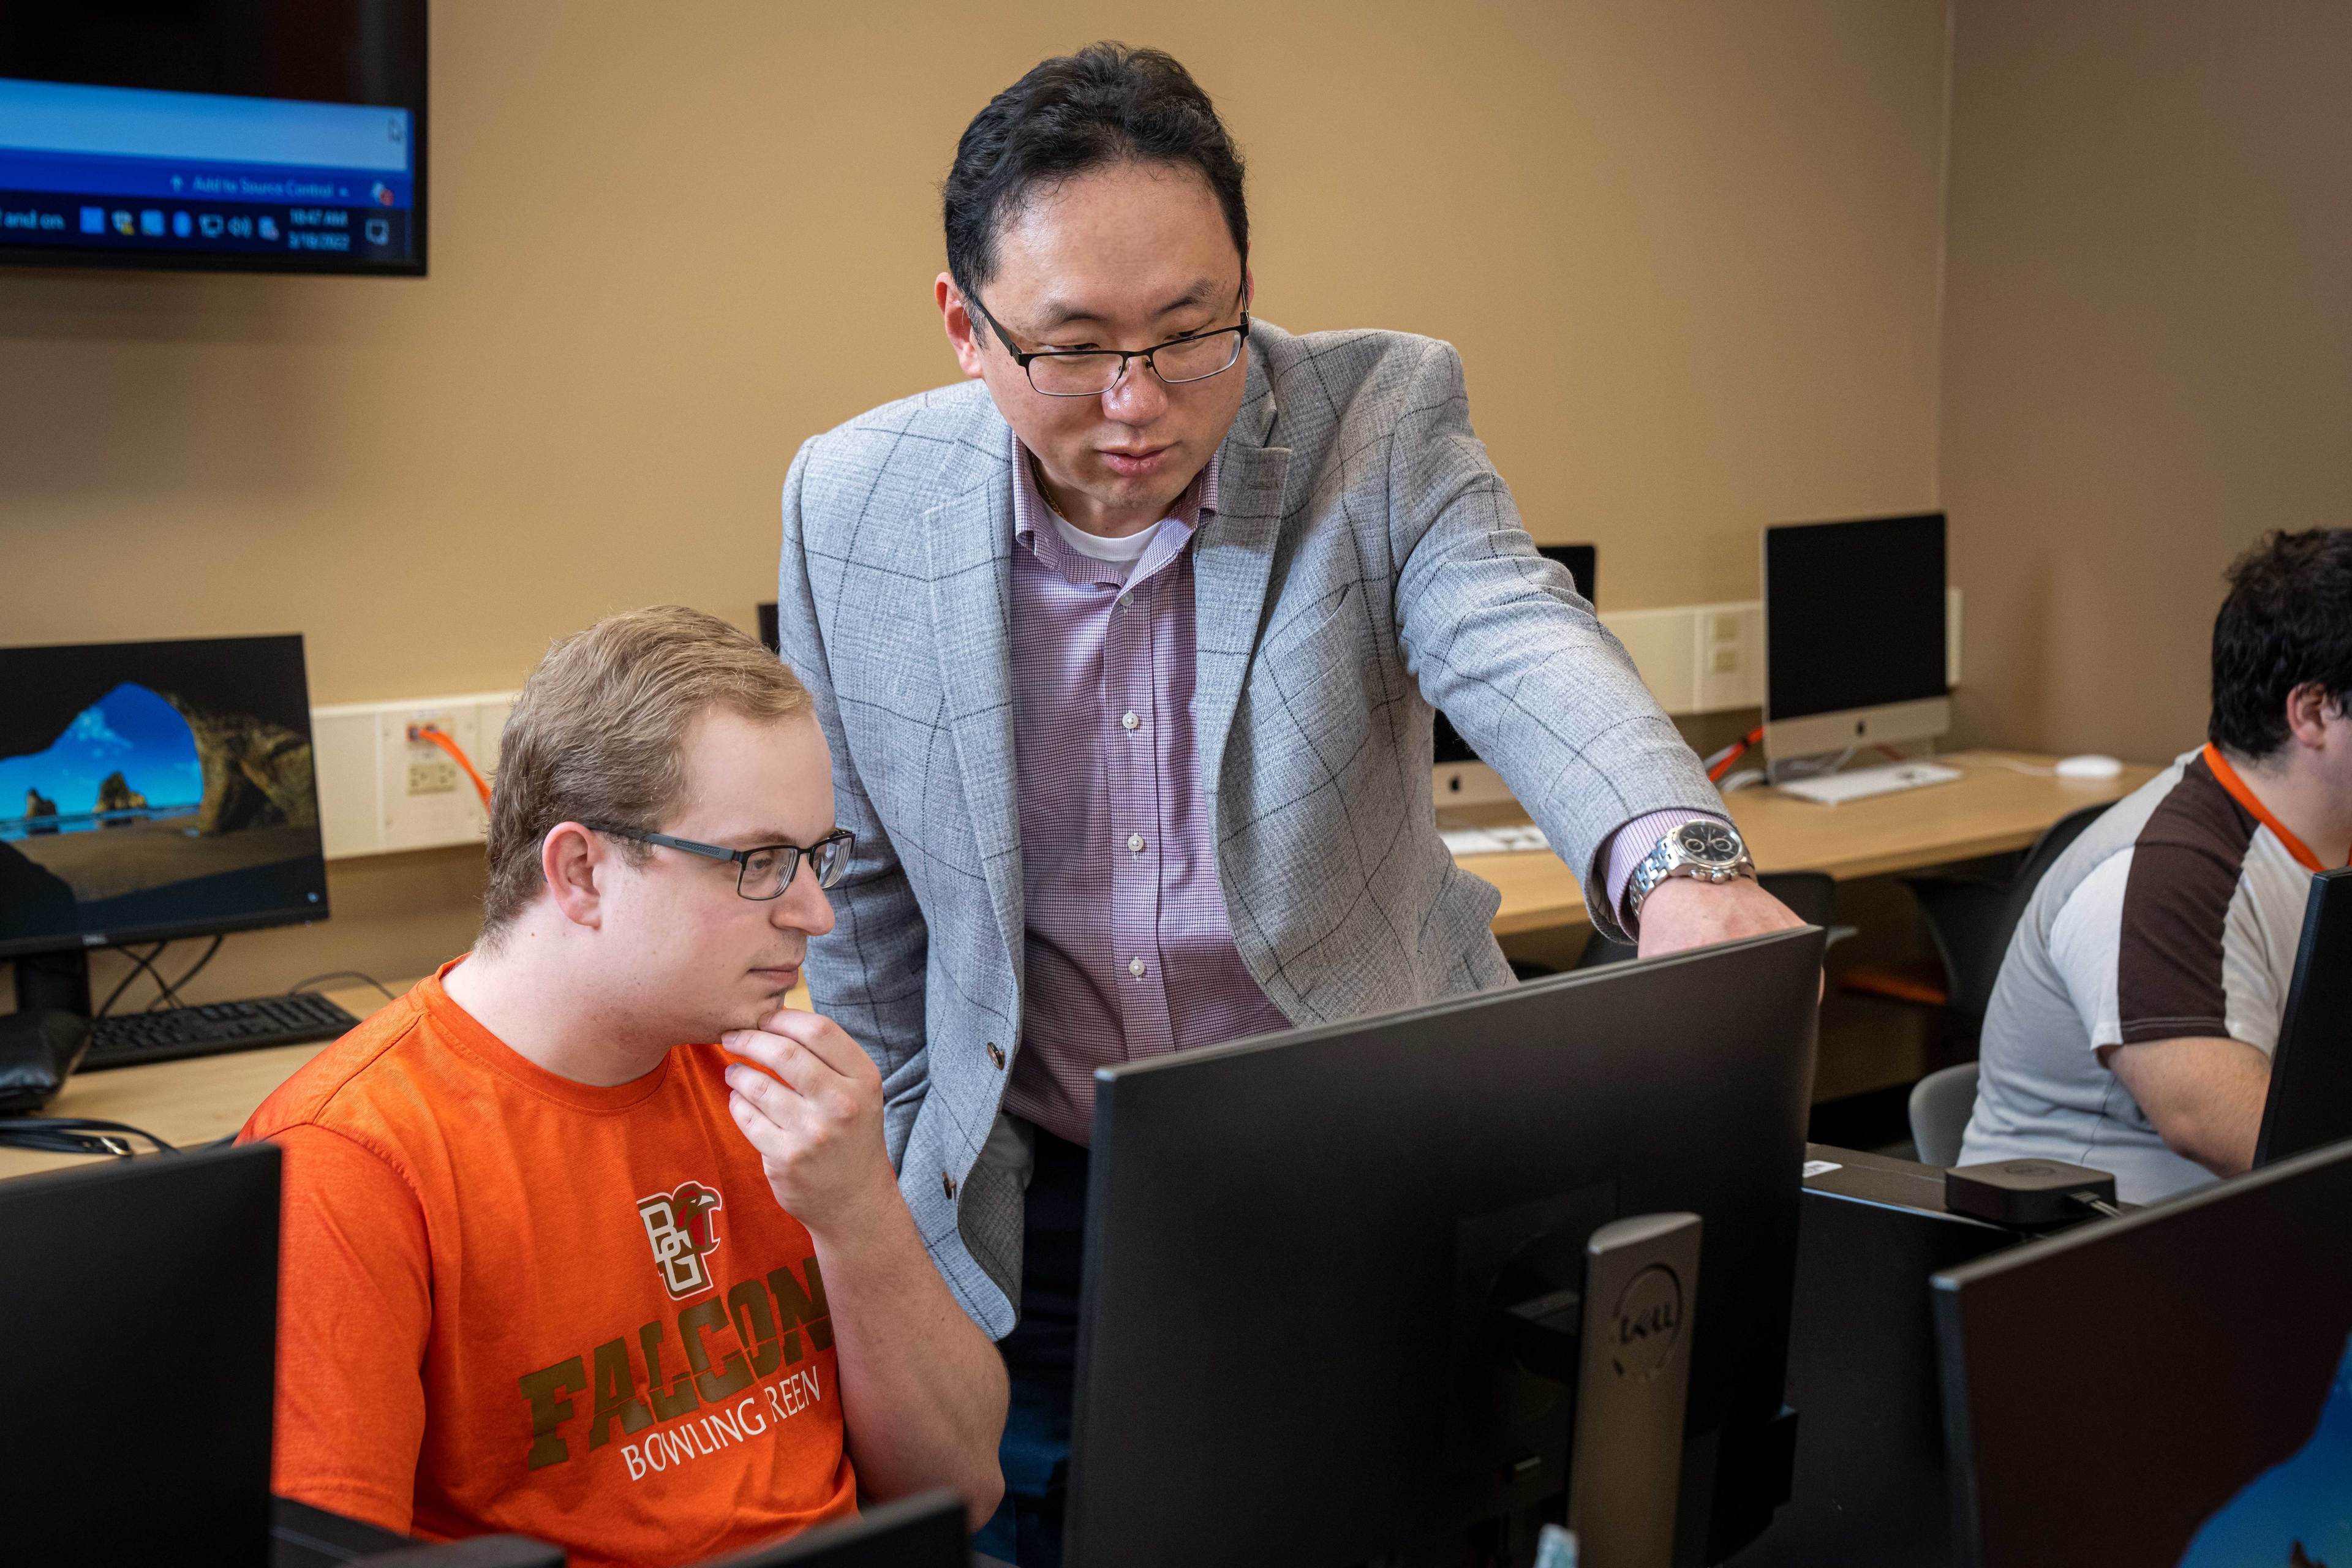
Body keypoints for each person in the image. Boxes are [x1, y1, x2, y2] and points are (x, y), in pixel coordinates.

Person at [774, 44, 1800, 1562]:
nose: (1137, 404)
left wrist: (1681, 863)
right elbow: (859, 899)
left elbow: (1515, 631)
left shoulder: (1372, 419)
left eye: (1193, 332)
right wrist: (904, 1189)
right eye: (1072, 349)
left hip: (1367, 1141)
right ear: (961, 327)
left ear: (1245, 284)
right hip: (1039, 1182)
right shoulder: (848, 502)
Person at [239, 607, 1005, 1568]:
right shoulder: (350, 1161)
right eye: (761, 863)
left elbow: (965, 1489)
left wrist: (860, 1218)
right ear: (582, 872)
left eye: (818, 858)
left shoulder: (774, 1080)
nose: (815, 911)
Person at [1962, 529, 2352, 1202]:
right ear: (2314, 711)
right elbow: (2229, 1129)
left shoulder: (2327, 840)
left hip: (2256, 1246)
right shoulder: (2156, 872)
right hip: (2085, 1268)